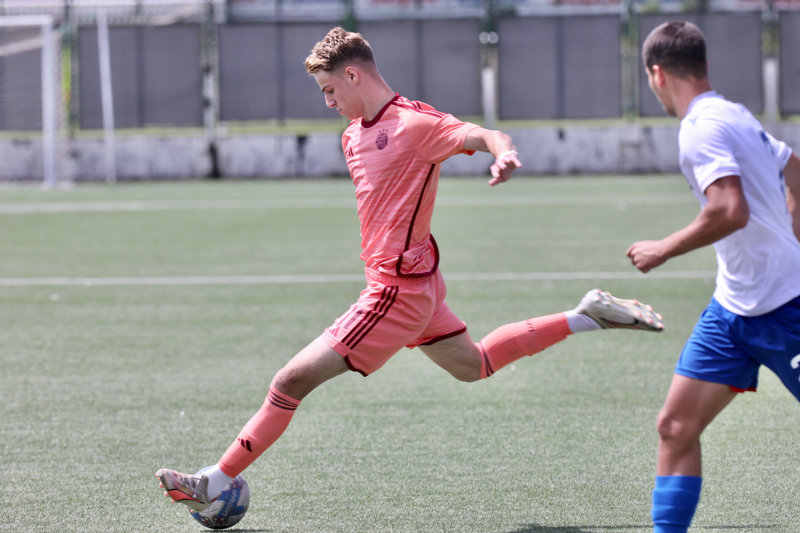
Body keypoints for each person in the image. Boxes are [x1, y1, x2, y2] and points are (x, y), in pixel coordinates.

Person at [155, 26, 663, 516]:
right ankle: (587, 315)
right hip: (415, 285)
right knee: (475, 364)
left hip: (396, 293)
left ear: (353, 75)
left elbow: (485, 134)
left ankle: (213, 481)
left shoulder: (415, 124)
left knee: (290, 381)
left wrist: (504, 154)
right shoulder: (352, 136)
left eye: (330, 90)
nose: (327, 102)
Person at [629, 21, 800, 533]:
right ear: (703, 65)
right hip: (733, 312)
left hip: (787, 308)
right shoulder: (733, 114)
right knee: (675, 426)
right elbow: (795, 169)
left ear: (657, 74)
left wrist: (662, 249)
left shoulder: (700, 128)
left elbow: (729, 210)